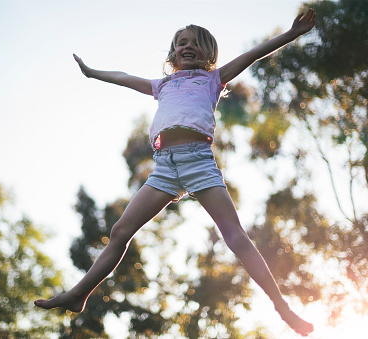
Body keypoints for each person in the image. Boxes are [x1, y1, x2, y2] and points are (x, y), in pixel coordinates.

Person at [35, 9, 316, 336]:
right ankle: (79, 293)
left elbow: (252, 55)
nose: (185, 47)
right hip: (164, 168)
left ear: (207, 52)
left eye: (193, 43)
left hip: (198, 162)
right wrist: (92, 72)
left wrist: (291, 34)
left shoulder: (213, 79)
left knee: (236, 236)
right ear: (172, 53)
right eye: (180, 43)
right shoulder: (162, 85)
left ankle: (281, 307)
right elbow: (125, 77)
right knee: (120, 232)